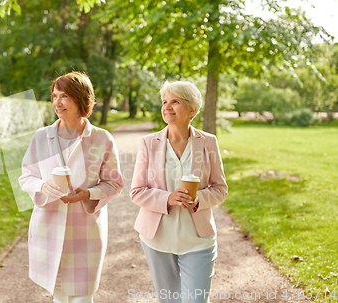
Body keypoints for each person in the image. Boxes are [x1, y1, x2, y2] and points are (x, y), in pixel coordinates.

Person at [19, 71, 123, 303]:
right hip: (49, 227)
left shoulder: (102, 139)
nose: (57, 102)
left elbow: (114, 183)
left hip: (85, 232)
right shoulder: (41, 137)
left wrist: (89, 194)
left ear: (81, 99)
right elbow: (26, 176)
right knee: (59, 296)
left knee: (83, 297)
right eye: (55, 96)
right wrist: (43, 185)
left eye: (64, 96)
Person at [130, 80, 228, 303]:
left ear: (192, 109)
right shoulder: (148, 143)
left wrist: (198, 200)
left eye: (175, 101)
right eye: (165, 102)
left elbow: (220, 189)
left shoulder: (208, 142)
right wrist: (168, 198)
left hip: (197, 239)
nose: (167, 106)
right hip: (157, 239)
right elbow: (136, 191)